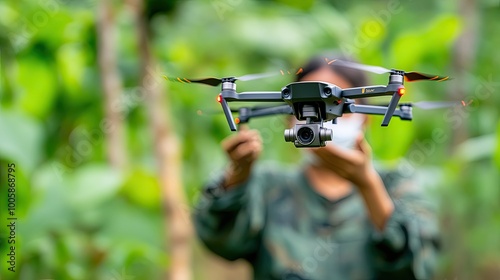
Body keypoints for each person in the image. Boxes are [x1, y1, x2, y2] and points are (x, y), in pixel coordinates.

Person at [193, 55, 440, 280]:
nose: (320, 120)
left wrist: (367, 184)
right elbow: (220, 241)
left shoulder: (396, 184)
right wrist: (238, 175)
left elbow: (418, 266)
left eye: (335, 108)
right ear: (289, 117)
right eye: (306, 107)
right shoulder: (266, 184)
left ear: (364, 116)